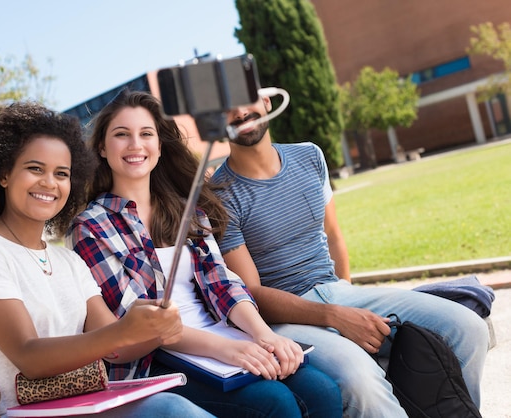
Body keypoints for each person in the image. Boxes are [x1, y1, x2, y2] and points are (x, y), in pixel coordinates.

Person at [66, 90, 342, 418]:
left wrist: (263, 336)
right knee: (274, 404)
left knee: (322, 392)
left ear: (159, 144)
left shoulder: (186, 210)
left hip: (224, 333)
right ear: (101, 147)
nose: (135, 145)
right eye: (121, 135)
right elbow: (140, 325)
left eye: (146, 134)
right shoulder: (91, 226)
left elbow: (223, 283)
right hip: (157, 360)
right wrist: (229, 350)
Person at [209, 95, 490, 417]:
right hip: (284, 317)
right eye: (225, 106)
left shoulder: (309, 156)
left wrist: (348, 302)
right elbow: (251, 294)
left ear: (267, 101)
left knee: (466, 327)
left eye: (246, 100)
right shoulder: (218, 194)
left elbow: (333, 235)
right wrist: (335, 316)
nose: (241, 112)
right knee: (360, 380)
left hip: (337, 290)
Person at [0, 102, 214, 418]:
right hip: (12, 413)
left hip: (84, 407)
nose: (49, 182)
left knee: (175, 407)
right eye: (35, 168)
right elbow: (29, 356)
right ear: (4, 173)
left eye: (62, 173)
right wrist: (122, 331)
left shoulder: (67, 262)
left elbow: (115, 349)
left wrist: (153, 325)